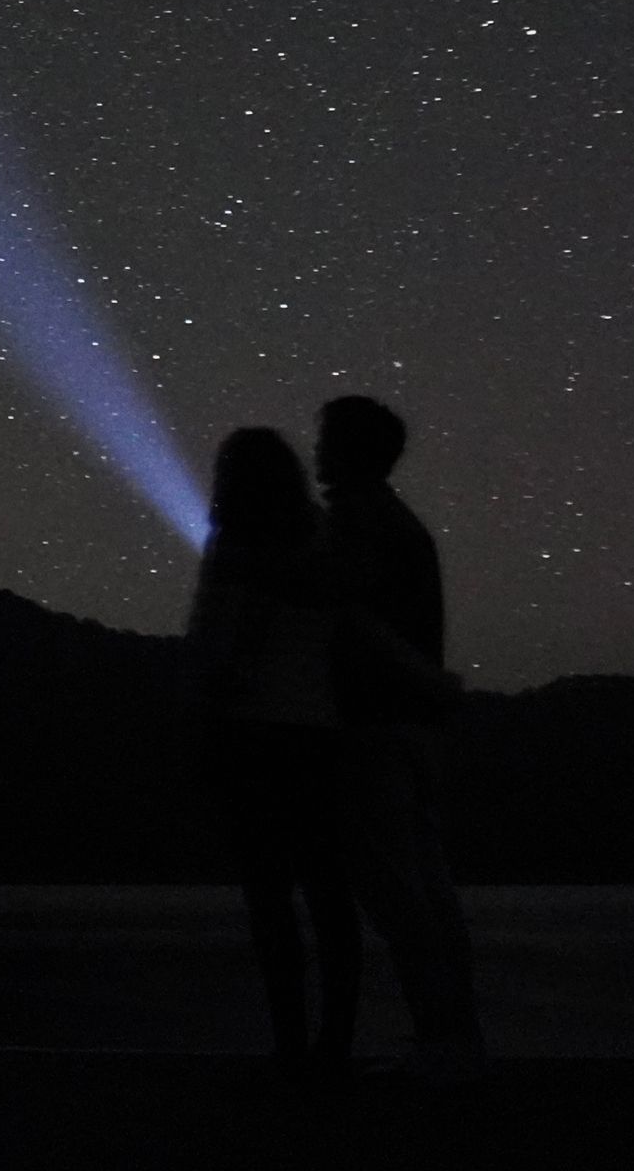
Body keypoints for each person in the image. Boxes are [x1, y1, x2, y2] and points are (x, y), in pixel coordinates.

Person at [315, 395, 485, 1082]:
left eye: (327, 438)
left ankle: (444, 1043)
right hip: (412, 730)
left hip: (374, 730)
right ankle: (456, 1038)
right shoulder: (402, 524)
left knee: (398, 897)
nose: (316, 450)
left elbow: (348, 617)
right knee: (427, 894)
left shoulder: (356, 520)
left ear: (351, 448)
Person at [183, 427, 361, 1077]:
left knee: (270, 899)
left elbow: (208, 639)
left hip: (251, 734)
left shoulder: (234, 547)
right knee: (327, 894)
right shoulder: (322, 537)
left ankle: (290, 1046)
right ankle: (335, 1042)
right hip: (317, 735)